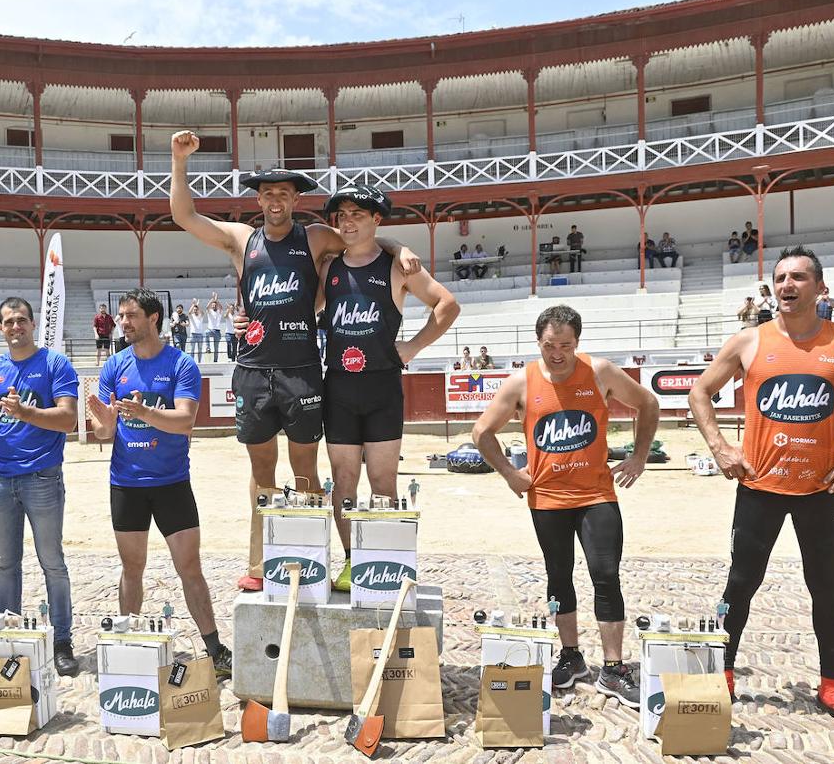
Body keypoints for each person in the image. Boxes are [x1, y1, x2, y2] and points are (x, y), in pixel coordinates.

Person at [171, 129, 419, 592]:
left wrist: (397, 247)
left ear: (295, 198)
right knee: (261, 471)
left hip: (303, 369)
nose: (276, 200)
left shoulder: (317, 237)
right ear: (259, 200)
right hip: (253, 369)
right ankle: (260, 559)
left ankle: (311, 559)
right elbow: (184, 216)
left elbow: (361, 237)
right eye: (268, 194)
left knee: (306, 471)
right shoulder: (242, 240)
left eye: (284, 193)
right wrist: (179, 161)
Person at [687, 246, 834, 732]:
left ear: (820, 288)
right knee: (741, 583)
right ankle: (723, 674)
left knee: (826, 590)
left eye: (797, 277)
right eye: (779, 277)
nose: (786, 285)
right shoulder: (750, 341)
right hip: (760, 488)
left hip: (821, 491)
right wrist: (720, 447)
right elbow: (699, 391)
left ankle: (832, 686)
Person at [472, 305, 660, 709]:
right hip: (548, 498)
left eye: (566, 345)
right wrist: (509, 472)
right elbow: (482, 432)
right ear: (537, 341)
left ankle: (613, 668)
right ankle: (571, 655)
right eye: (549, 345)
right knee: (558, 576)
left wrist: (640, 456)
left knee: (606, 574)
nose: (557, 353)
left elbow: (648, 404)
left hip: (596, 494)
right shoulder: (522, 382)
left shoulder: (599, 372)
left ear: (578, 341)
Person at [86, 288, 233, 677]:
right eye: (121, 316)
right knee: (131, 568)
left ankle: (215, 649)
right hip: (126, 483)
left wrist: (144, 411)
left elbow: (185, 421)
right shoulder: (114, 366)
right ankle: (128, 643)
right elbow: (105, 433)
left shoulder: (181, 364)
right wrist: (103, 420)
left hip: (171, 482)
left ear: (154, 318)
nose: (124, 322)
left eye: (131, 315)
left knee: (190, 567)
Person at [319, 186, 459, 590]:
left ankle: (382, 561)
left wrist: (413, 346)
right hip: (338, 387)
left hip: (382, 387)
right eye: (342, 215)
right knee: (343, 480)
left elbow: (447, 305)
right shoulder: (329, 268)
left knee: (383, 482)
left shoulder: (397, 267)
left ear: (376, 219)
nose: (347, 222)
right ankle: (350, 561)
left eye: (358, 215)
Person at [0, 297, 81, 677]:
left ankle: (62, 640)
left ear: (33, 325)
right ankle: (9, 637)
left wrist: (25, 412)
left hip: (42, 477)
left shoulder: (54, 363)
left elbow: (68, 420)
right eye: (8, 322)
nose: (15, 327)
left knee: (52, 563)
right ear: (0, 329)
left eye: (21, 321)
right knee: (5, 564)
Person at [205, 294, 223, 361]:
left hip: (217, 331)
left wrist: (216, 300)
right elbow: (207, 307)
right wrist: (212, 299)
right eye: (213, 305)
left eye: (215, 305)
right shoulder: (210, 312)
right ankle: (208, 347)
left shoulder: (219, 312)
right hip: (210, 329)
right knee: (206, 332)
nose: (214, 306)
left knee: (216, 347)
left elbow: (221, 307)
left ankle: (215, 360)